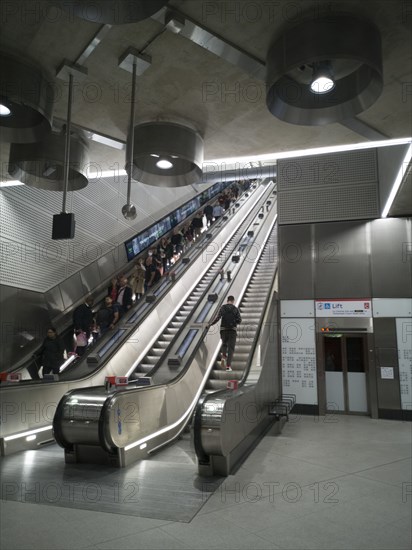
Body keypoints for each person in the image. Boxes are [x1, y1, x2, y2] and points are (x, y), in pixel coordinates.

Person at [206, 295, 241, 371]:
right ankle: (228, 366)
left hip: (223, 330)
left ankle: (223, 356)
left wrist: (210, 324)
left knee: (224, 344)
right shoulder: (235, 309)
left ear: (227, 300)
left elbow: (217, 318)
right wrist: (234, 321)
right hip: (232, 330)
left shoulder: (223, 308)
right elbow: (239, 320)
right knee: (231, 348)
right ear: (233, 301)